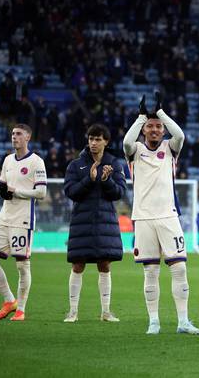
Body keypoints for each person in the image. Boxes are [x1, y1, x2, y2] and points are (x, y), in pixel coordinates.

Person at [124, 93, 199, 335]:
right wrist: (140, 117)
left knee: (179, 268)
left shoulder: (170, 148)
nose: (156, 129)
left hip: (168, 217)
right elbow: (126, 142)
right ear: (144, 130)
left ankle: (183, 322)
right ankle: (154, 322)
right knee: (150, 270)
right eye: (151, 127)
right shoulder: (135, 149)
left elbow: (180, 135)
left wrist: (160, 113)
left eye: (158, 127)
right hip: (143, 218)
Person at [63, 123, 126, 323]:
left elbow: (119, 193)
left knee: (105, 264)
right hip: (81, 221)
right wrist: (89, 180)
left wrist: (106, 180)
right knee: (77, 265)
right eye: (91, 138)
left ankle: (106, 312)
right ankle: (73, 312)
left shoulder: (115, 164)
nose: (93, 143)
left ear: (106, 142)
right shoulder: (75, 165)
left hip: (105, 222)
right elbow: (70, 192)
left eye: (98, 139)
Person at [0, 124, 47, 321]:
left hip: (23, 219)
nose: (14, 137)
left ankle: (21, 309)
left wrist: (15, 191)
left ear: (28, 137)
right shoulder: (8, 160)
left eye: (18, 134)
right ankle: (9, 301)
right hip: (4, 217)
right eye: (12, 134)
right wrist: (2, 190)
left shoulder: (37, 162)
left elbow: (41, 193)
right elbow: (5, 186)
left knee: (22, 265)